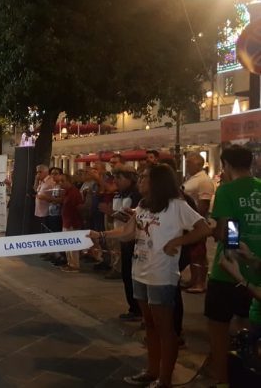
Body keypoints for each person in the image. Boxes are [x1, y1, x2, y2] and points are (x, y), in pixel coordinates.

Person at [89, 165, 211, 388]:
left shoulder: (177, 206)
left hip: (161, 274)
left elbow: (203, 228)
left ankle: (164, 379)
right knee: (150, 325)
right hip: (140, 270)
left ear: (159, 181)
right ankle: (151, 370)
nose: (140, 180)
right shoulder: (144, 205)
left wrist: (177, 242)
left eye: (144, 177)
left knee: (165, 328)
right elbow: (128, 232)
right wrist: (101, 235)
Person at [204, 145, 260, 386]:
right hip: (258, 272)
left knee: (218, 333)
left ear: (225, 165)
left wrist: (214, 231)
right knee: (251, 334)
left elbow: (230, 232)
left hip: (228, 271)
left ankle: (223, 381)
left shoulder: (227, 191)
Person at [112, 167, 143, 321]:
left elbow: (138, 220)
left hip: (133, 240)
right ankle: (133, 307)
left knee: (132, 274)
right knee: (126, 274)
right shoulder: (120, 193)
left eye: (119, 177)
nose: (116, 181)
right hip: (123, 238)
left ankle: (138, 308)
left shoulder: (137, 195)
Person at [181, 152, 215, 293]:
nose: (187, 165)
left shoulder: (204, 180)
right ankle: (194, 279)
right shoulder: (192, 178)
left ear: (198, 164)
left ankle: (200, 283)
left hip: (195, 222)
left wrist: (195, 221)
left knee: (198, 253)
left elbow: (203, 204)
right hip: (187, 221)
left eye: (189, 162)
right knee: (192, 253)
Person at [59, 174, 84, 273]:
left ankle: (74, 265)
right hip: (66, 221)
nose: (60, 183)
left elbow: (77, 208)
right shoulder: (67, 192)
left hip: (71, 222)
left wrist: (73, 222)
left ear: (69, 181)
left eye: (63, 181)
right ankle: (70, 263)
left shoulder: (74, 192)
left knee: (72, 245)